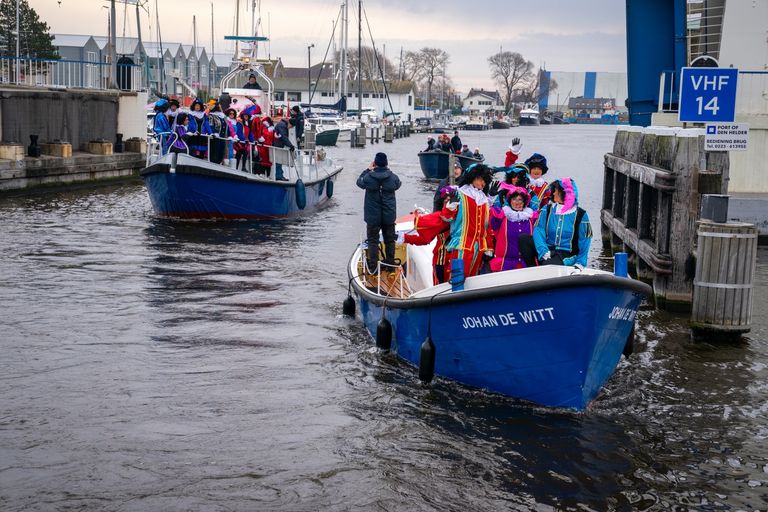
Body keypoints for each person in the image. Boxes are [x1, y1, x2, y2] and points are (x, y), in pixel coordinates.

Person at [519, 177, 592, 268]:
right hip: (548, 249)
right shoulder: (547, 209)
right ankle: (533, 269)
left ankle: (544, 268)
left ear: (564, 192)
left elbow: (585, 240)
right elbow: (539, 229)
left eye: (556, 191)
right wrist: (543, 250)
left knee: (548, 265)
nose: (553, 193)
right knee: (524, 239)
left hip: (567, 253)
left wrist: (580, 263)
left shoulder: (581, 214)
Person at [443, 163, 494, 279]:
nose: (482, 183)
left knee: (473, 279)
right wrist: (451, 205)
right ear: (472, 178)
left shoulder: (485, 201)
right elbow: (447, 218)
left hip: (479, 247)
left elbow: (487, 227)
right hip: (462, 244)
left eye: (484, 181)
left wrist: (489, 247)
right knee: (457, 278)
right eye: (480, 179)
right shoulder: (460, 194)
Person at [356, 152, 402, 274]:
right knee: (389, 241)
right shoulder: (393, 177)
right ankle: (391, 268)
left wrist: (367, 169)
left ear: (375, 163)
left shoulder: (368, 178)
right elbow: (398, 185)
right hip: (388, 215)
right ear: (386, 163)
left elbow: (359, 182)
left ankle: (373, 269)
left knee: (373, 241)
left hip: (373, 216)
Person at [400, 186, 455, 284]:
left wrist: (405, 238)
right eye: (446, 201)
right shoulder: (440, 218)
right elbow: (424, 239)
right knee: (441, 285)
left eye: (450, 200)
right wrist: (405, 238)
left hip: (453, 258)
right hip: (443, 260)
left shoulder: (457, 216)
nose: (449, 203)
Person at [488, 184, 534, 272]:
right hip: (505, 265)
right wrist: (491, 198)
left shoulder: (531, 218)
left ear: (524, 202)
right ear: (510, 201)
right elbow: (489, 215)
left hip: (527, 265)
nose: (517, 202)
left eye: (520, 199)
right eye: (514, 199)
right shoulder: (501, 216)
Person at [272, 117, 295, 181]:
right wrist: (290, 146)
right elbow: (283, 136)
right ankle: (279, 176)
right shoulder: (282, 125)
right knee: (278, 161)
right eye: (292, 126)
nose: (290, 128)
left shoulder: (282, 124)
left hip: (278, 145)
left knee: (279, 161)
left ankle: (279, 175)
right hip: (277, 145)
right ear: (290, 123)